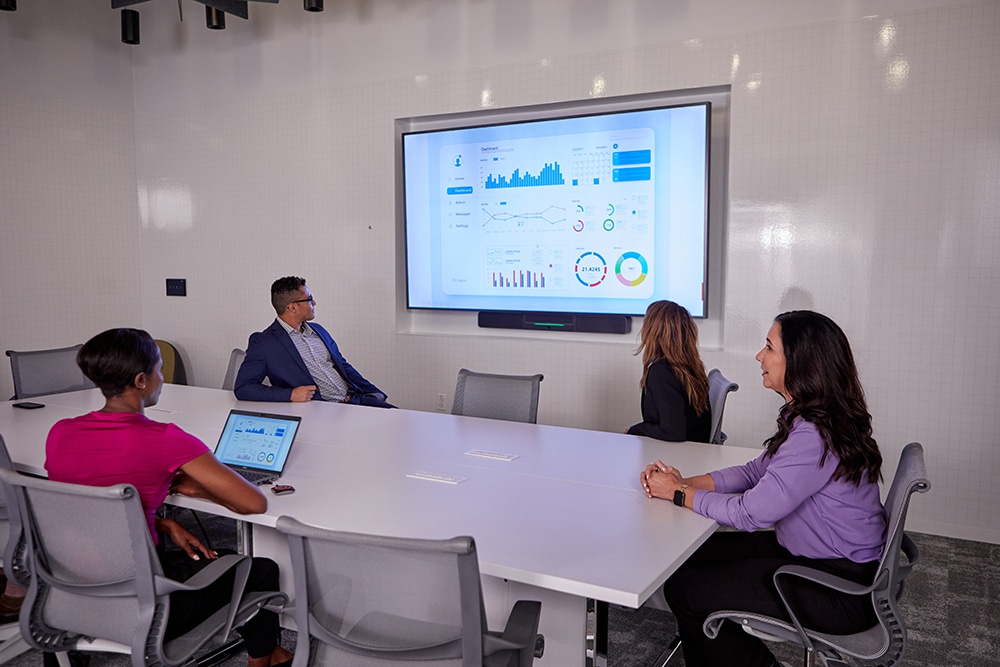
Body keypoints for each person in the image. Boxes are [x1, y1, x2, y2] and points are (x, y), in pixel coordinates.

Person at [639, 310, 886, 667]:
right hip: (813, 555)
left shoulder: (814, 435)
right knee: (686, 559)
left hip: (839, 587)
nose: (759, 356)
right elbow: (755, 471)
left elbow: (750, 513)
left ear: (800, 362)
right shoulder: (813, 416)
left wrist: (679, 494)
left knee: (686, 591)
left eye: (769, 347)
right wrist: (684, 483)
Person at [45, 328, 293, 667]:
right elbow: (254, 503)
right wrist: (197, 488)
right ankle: (267, 659)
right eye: (159, 370)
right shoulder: (165, 439)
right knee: (261, 569)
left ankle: (273, 653)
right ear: (141, 380)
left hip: (69, 592)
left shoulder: (61, 432)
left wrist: (163, 523)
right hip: (150, 607)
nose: (162, 379)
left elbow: (82, 507)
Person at [234, 276, 394, 407]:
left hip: (353, 400)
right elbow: (244, 388)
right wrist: (290, 394)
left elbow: (343, 366)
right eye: (309, 299)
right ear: (292, 307)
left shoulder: (318, 330)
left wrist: (376, 393)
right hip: (322, 409)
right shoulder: (264, 343)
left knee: (397, 417)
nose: (314, 303)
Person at [626, 300, 712, 442]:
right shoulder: (690, 367)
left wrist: (635, 430)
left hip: (678, 451)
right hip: (695, 449)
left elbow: (673, 432)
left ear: (654, 332)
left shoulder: (661, 372)